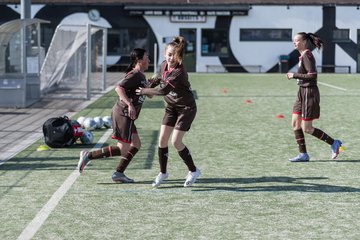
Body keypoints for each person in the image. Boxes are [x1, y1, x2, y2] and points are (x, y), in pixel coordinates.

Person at [77, 48, 149, 182]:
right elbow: (119, 88)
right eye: (146, 57)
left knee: (136, 144)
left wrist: (154, 83)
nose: (149, 59)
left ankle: (119, 174)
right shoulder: (134, 74)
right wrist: (130, 104)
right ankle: (89, 156)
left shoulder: (141, 76)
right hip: (123, 113)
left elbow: (148, 94)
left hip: (128, 115)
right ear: (139, 60)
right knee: (123, 149)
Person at [136, 36, 200, 187]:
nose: (171, 58)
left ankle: (193, 170)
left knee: (176, 142)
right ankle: (163, 173)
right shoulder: (164, 65)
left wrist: (145, 90)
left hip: (186, 108)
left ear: (179, 56)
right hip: (171, 108)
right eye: (169, 54)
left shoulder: (179, 71)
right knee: (162, 140)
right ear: (165, 54)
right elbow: (160, 78)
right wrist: (151, 83)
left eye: (175, 55)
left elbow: (164, 90)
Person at [286, 32, 342, 162]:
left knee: (307, 128)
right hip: (301, 92)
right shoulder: (302, 56)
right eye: (293, 41)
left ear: (304, 42)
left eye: (297, 40)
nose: (294, 43)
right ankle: (303, 154)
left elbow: (312, 75)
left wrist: (294, 75)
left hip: (309, 93)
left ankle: (334, 143)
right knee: (295, 124)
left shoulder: (307, 55)